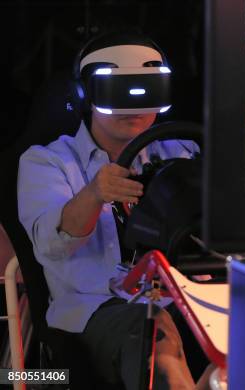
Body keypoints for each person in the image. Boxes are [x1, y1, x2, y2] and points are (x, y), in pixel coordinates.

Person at [18, 31, 209, 389]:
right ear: (85, 95)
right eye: (118, 90)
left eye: (148, 89)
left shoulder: (183, 152)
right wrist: (94, 193)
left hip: (191, 302)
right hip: (98, 313)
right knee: (151, 329)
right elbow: (49, 245)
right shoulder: (47, 162)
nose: (134, 105)